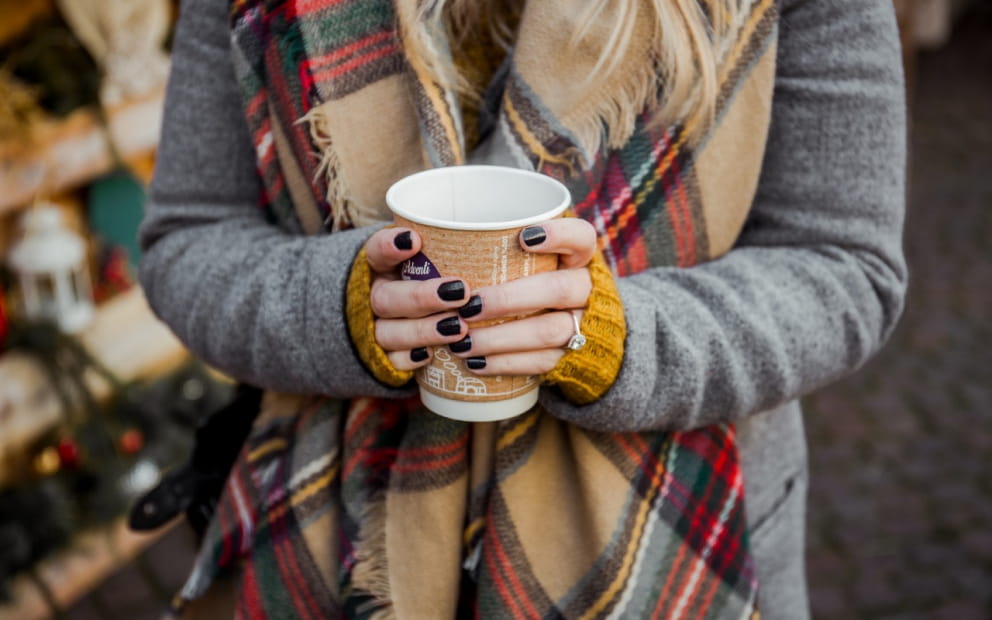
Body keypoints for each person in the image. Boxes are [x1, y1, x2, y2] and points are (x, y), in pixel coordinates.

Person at [140, 0, 907, 617]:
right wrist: (340, 309)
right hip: (337, 546)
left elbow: (844, 264)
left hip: (676, 541)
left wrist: (618, 340)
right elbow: (187, 239)